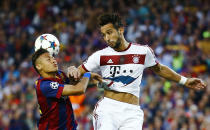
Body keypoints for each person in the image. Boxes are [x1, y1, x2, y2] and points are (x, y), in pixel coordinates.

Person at [67, 13, 206, 130]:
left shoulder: (143, 52)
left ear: (120, 29)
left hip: (132, 112)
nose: (107, 38)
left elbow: (160, 69)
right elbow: (76, 76)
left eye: (109, 32)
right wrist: (73, 70)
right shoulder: (99, 56)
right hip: (108, 109)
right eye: (104, 35)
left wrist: (185, 80)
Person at [31, 48, 101, 130]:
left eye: (53, 58)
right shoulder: (44, 85)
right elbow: (79, 89)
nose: (53, 60)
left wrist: (74, 73)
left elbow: (74, 84)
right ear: (39, 66)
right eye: (48, 59)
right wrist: (87, 74)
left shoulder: (59, 74)